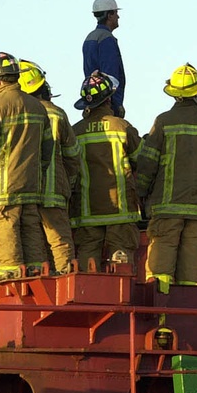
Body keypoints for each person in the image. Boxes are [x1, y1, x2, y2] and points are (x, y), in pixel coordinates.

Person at [136, 64, 197, 290]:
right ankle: (188, 300)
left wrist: (140, 193)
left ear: (174, 92)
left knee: (161, 263)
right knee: (193, 266)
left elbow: (148, 163)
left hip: (168, 207)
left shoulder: (164, 121)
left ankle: (160, 306)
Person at [0, 52, 52, 278]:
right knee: (31, 228)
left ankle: (11, 282)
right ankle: (37, 274)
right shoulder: (37, 106)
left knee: (5, 229)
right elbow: (47, 150)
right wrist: (38, 173)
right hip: (31, 185)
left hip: (2, 189)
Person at [71, 72, 142, 270]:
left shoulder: (75, 131)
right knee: (121, 258)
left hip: (87, 211)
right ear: (109, 98)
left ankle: (85, 295)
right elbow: (142, 159)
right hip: (120, 210)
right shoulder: (122, 126)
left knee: (87, 257)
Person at [18, 60, 79, 274]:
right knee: (60, 240)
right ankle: (65, 277)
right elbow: (72, 154)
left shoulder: (19, 113)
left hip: (26, 191)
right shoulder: (57, 113)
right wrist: (68, 184)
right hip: (54, 190)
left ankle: (38, 277)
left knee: (34, 241)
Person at [83, 0, 127, 117]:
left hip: (92, 101)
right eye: (116, 13)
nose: (118, 16)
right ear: (109, 15)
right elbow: (111, 77)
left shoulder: (90, 37)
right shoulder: (106, 39)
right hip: (107, 105)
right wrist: (116, 105)